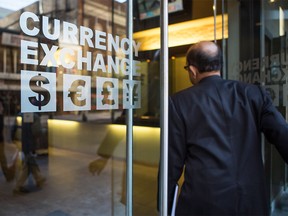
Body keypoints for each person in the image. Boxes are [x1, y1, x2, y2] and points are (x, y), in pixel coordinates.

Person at [167, 41, 288, 215]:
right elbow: (282, 134)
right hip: (251, 200)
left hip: (204, 203)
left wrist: (164, 204)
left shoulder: (178, 102)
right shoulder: (254, 94)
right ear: (219, 66)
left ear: (193, 70)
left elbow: (172, 163)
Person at [13, 112, 46, 194]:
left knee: (30, 161)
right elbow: (37, 132)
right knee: (28, 164)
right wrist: (44, 131)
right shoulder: (35, 116)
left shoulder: (20, 115)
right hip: (30, 143)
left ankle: (39, 178)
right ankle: (18, 186)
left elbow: (14, 129)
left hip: (21, 142)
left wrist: (14, 139)